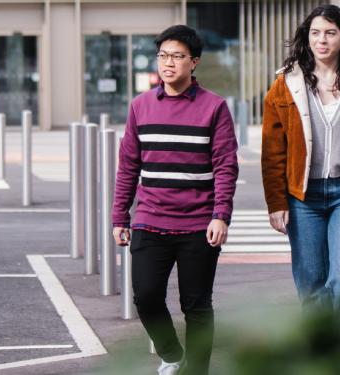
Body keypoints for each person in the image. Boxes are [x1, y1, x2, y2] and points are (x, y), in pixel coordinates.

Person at [112, 25, 238, 375]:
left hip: (198, 224)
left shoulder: (214, 108)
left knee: (196, 306)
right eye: (163, 55)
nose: (168, 63)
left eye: (178, 56)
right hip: (150, 219)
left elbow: (226, 166)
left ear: (194, 62)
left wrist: (221, 215)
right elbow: (128, 167)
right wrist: (119, 217)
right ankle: (172, 354)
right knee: (146, 296)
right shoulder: (141, 106)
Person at [260, 4, 340, 330]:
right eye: (315, 33)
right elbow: (272, 151)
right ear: (307, 38)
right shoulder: (285, 85)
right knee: (312, 284)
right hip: (302, 197)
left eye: (330, 33)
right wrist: (276, 202)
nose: (322, 40)